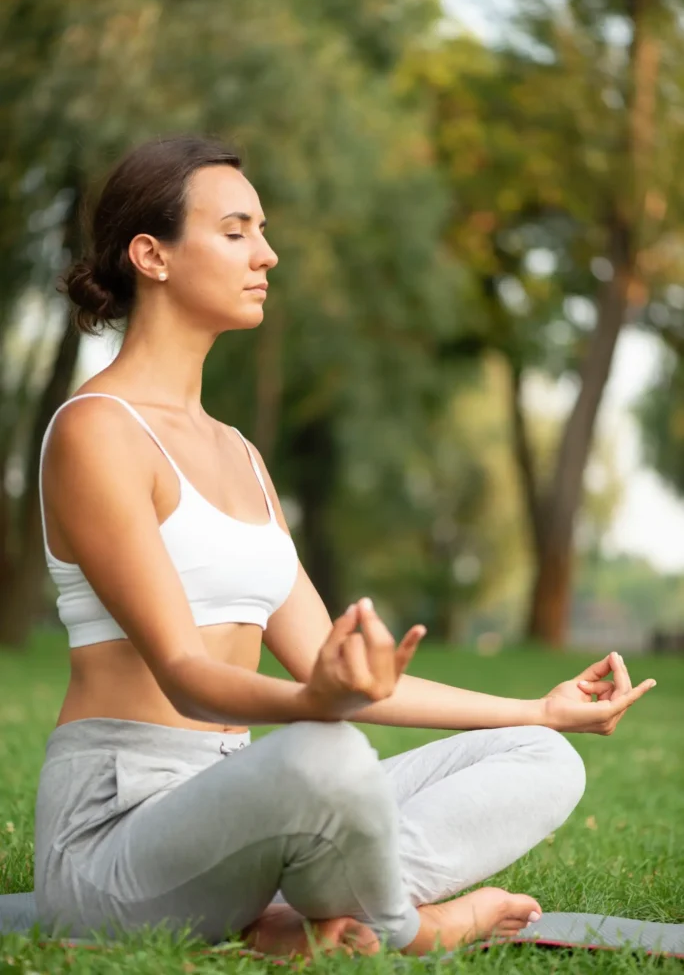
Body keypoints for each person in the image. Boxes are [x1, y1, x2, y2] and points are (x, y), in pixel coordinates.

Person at [34, 134, 656, 958]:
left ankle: (310, 917)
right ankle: (399, 927)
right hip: (114, 837)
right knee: (322, 754)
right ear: (152, 255)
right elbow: (186, 676)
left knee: (540, 757)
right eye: (236, 231)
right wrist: (315, 707)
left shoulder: (240, 455)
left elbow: (336, 669)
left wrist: (541, 709)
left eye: (262, 230)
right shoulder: (96, 431)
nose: (268, 252)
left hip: (238, 803)